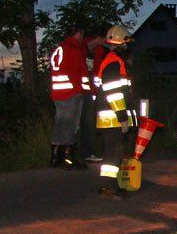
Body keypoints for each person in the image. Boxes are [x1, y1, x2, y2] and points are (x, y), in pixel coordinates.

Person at [96, 25, 137, 198]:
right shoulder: (114, 61)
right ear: (122, 43)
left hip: (111, 115)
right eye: (126, 43)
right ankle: (108, 187)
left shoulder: (112, 60)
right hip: (112, 116)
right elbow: (113, 92)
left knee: (114, 151)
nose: (128, 47)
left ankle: (109, 185)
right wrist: (122, 117)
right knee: (114, 151)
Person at [49, 26, 91, 170]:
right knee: (70, 125)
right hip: (71, 92)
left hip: (58, 92)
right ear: (78, 33)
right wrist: (84, 89)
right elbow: (78, 72)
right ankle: (68, 159)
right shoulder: (74, 49)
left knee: (60, 124)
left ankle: (56, 157)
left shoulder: (60, 48)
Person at [79, 27, 107, 163]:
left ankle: (87, 152)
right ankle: (78, 152)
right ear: (98, 37)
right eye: (104, 39)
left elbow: (97, 72)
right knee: (81, 123)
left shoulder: (99, 51)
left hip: (91, 92)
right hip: (78, 91)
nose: (105, 42)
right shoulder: (81, 47)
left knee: (89, 123)